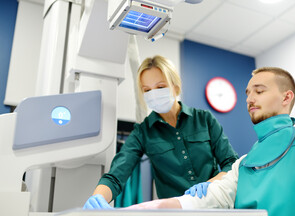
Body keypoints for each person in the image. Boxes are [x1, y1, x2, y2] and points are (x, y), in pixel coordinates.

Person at [126, 67, 295, 216]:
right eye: (247, 93)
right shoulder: (245, 164)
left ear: (286, 97)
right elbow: (210, 200)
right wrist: (147, 208)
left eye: (259, 91)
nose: (249, 99)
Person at [83, 55, 238, 209]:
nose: (154, 94)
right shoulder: (143, 132)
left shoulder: (204, 119)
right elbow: (116, 175)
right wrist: (98, 198)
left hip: (214, 206)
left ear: (175, 86)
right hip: (175, 211)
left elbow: (231, 163)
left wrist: (209, 185)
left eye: (160, 87)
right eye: (147, 90)